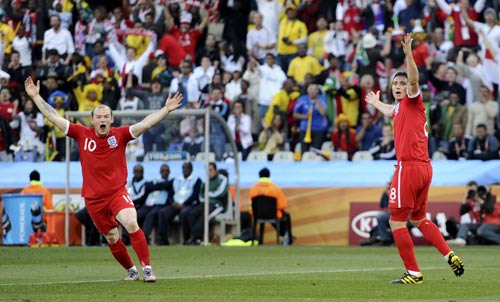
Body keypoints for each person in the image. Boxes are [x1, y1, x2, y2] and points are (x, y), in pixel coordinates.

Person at [24, 76, 183, 282]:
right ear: (92, 120)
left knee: (131, 222)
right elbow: (53, 116)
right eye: (98, 117)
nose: (102, 120)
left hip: (117, 192)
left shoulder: (121, 135)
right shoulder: (82, 134)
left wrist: (165, 110)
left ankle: (148, 268)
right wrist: (36, 97)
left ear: (111, 119)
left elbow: (145, 124)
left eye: (105, 116)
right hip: (93, 199)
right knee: (111, 237)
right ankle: (131, 270)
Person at [364, 33, 464, 284]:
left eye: (401, 84)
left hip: (408, 168)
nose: (398, 88)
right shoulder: (400, 108)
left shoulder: (412, 99)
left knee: (396, 221)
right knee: (419, 218)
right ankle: (449, 254)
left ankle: (413, 272)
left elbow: (415, 80)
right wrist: (377, 103)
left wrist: (409, 55)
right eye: (394, 85)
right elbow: (391, 111)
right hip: (424, 168)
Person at [158, 161, 202, 245]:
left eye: (187, 168)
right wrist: (173, 203)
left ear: (191, 169)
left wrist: (184, 203)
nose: (185, 170)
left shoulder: (196, 180)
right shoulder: (176, 180)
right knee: (163, 212)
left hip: (189, 204)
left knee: (184, 213)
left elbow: (195, 195)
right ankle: (163, 239)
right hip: (176, 204)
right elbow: (170, 194)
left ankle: (187, 239)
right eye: (184, 168)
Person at [248, 167, 294, 245]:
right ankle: (288, 237)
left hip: (257, 215)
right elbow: (283, 205)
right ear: (269, 176)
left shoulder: (253, 189)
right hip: (273, 214)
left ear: (259, 176)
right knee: (286, 216)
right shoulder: (275, 188)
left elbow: (250, 206)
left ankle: (260, 240)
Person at [186, 162, 228, 245]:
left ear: (215, 170)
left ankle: (197, 238)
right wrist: (206, 197)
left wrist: (208, 195)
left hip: (217, 204)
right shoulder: (205, 181)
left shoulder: (222, 179)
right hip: (205, 203)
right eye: (207, 170)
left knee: (205, 215)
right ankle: (195, 237)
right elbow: (201, 195)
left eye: (211, 170)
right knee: (192, 214)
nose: (209, 172)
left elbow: (221, 192)